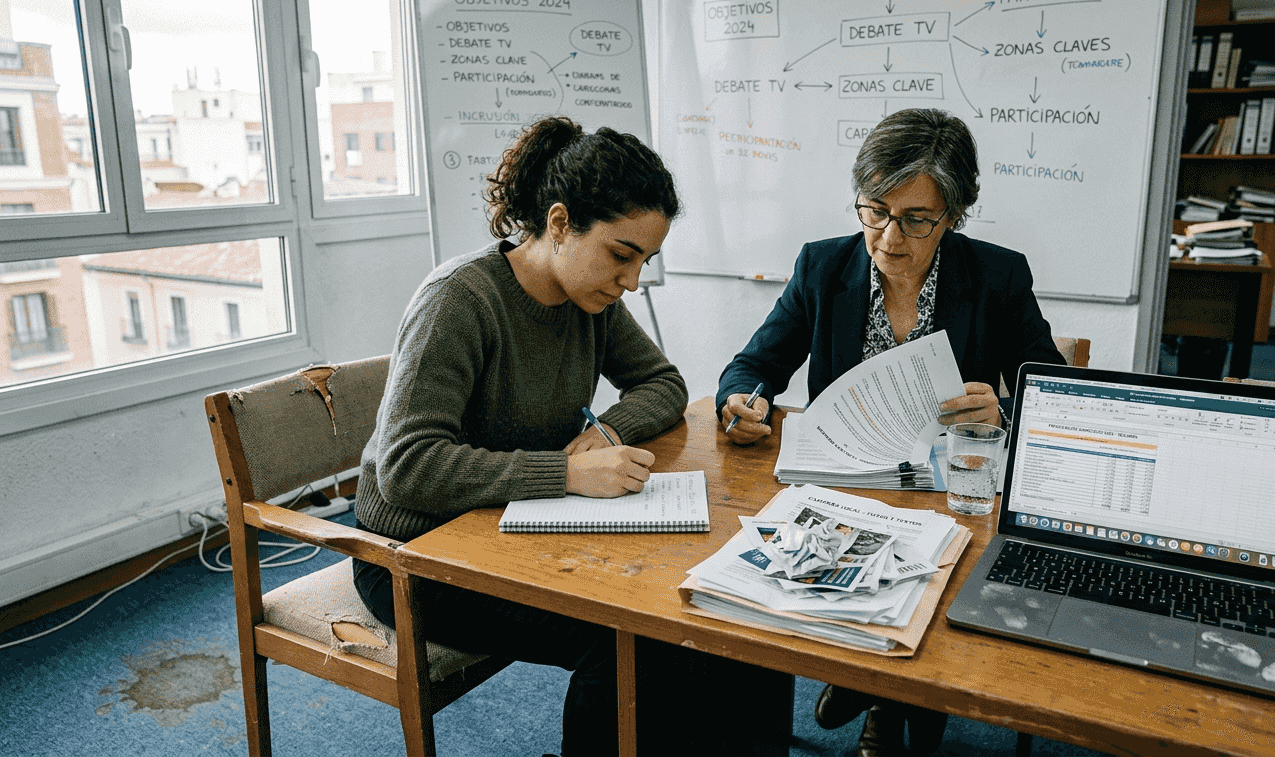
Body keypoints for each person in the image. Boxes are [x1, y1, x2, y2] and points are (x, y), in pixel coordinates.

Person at [716, 108, 1064, 757]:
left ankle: (892, 705)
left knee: (929, 578)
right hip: (843, 482)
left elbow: (1054, 396)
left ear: (954, 215)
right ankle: (872, 685)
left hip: (946, 489)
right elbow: (754, 365)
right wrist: (745, 399)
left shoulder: (997, 276)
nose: (887, 239)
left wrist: (1006, 411)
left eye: (914, 220)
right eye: (873, 211)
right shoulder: (823, 268)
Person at [351, 115, 687, 757]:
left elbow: (664, 383)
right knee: (621, 639)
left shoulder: (593, 303)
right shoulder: (459, 300)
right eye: (622, 254)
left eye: (645, 260)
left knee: (670, 606)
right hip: (410, 553)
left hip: (509, 527)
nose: (632, 281)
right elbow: (406, 468)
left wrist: (607, 430)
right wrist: (563, 475)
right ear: (560, 224)